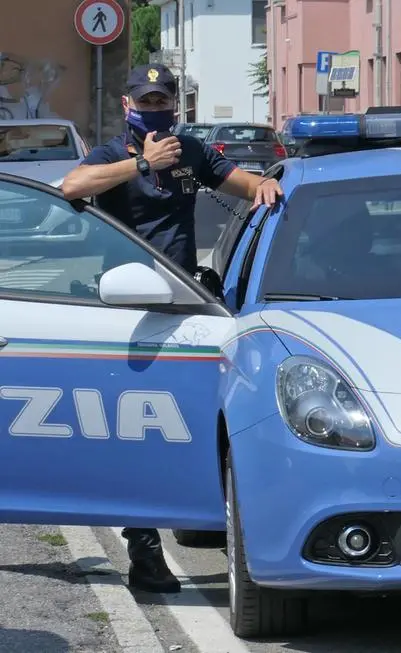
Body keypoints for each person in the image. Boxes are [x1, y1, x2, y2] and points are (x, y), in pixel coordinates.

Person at [61, 63, 284, 594]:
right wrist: (141, 162)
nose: (155, 108)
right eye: (146, 100)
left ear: (175, 107)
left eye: (163, 101)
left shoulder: (192, 151)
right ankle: (144, 548)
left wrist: (266, 189)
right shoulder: (115, 153)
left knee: (189, 422)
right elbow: (72, 185)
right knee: (134, 430)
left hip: (184, 307)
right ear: (127, 105)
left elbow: (245, 183)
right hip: (126, 307)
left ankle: (200, 517)